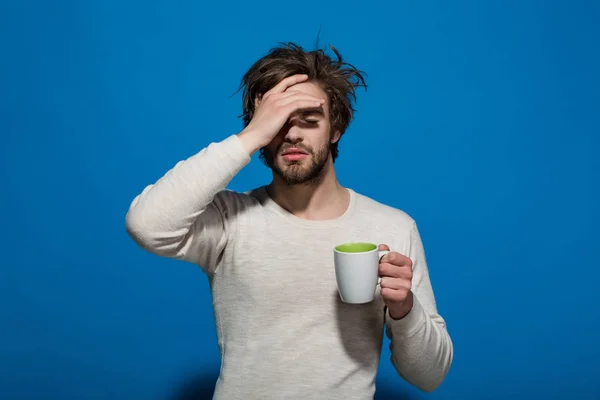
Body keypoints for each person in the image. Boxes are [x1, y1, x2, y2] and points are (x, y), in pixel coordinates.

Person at [125, 42, 453, 399]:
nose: (292, 134)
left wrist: (406, 309)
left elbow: (429, 376)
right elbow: (147, 225)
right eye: (278, 123)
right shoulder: (230, 218)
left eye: (309, 121)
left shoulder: (393, 226)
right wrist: (250, 136)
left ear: (335, 129)